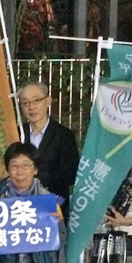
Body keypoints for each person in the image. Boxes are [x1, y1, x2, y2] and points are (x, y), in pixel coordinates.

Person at [18, 82, 78, 218]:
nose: (31, 107)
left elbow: (70, 173)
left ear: (48, 101)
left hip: (53, 208)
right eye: (25, 103)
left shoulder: (64, 135)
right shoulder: (18, 134)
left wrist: (35, 184)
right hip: (21, 208)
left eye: (36, 100)